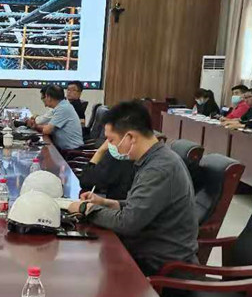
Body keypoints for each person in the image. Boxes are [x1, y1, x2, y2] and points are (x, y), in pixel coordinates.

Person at [71, 100, 197, 275]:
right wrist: (106, 203)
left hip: (161, 266)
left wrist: (86, 209)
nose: (110, 146)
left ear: (130, 137)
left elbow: (128, 222)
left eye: (111, 140)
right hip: (147, 251)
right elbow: (138, 206)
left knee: (83, 269)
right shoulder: (154, 159)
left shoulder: (158, 169)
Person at [36, 84, 83, 152]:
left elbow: (46, 130)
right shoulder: (62, 106)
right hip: (65, 149)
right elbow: (48, 126)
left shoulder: (63, 108)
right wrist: (36, 126)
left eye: (45, 97)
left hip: (71, 152)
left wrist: (35, 126)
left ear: (49, 97)